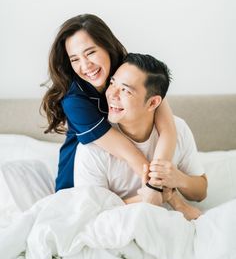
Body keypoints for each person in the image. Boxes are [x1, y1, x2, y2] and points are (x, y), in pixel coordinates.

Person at [41, 14, 176, 193]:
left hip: (126, 180)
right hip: (77, 183)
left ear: (107, 46)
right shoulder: (74, 100)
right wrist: (167, 194)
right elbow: (131, 155)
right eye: (75, 59)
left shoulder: (133, 71)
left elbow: (167, 129)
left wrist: (162, 174)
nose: (85, 65)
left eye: (90, 53)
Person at [74, 53, 208, 220]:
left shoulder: (178, 129)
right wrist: (147, 199)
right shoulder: (92, 148)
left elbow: (201, 192)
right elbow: (90, 214)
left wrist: (179, 179)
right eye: (112, 83)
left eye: (125, 90)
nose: (112, 94)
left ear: (153, 103)